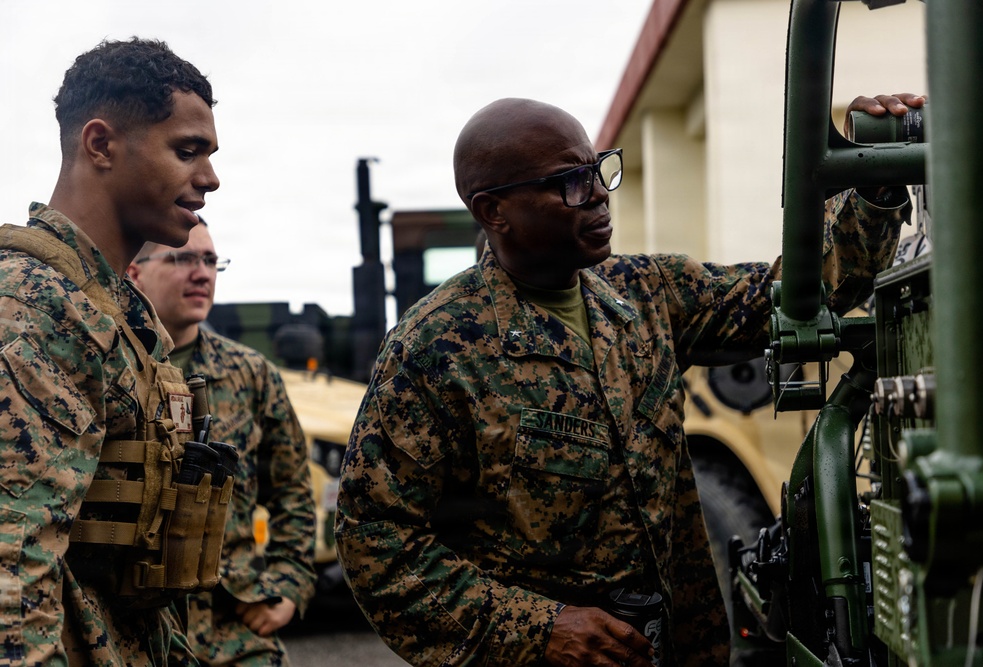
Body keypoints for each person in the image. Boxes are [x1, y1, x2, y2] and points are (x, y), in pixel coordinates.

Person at [335, 93, 921, 667]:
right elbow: (376, 543)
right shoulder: (436, 348)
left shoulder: (646, 294)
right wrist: (539, 631)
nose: (597, 194)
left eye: (597, 169)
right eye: (569, 181)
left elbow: (805, 293)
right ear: (494, 212)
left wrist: (873, 181)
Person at [0, 38, 219, 663]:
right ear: (100, 145)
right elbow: (11, 567)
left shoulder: (117, 310)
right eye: (187, 151)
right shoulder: (33, 304)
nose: (209, 177)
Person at [127, 218, 317, 665]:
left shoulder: (251, 374)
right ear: (134, 271)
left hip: (234, 628)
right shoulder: (109, 365)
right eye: (184, 258)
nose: (202, 273)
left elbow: (292, 490)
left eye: (211, 261)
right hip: (134, 631)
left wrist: (289, 585)